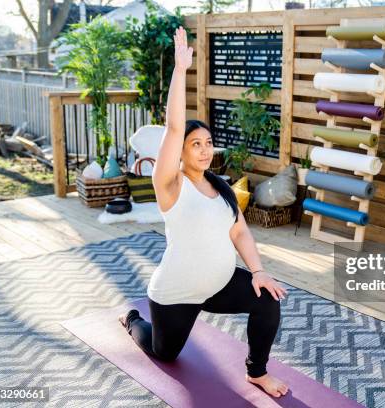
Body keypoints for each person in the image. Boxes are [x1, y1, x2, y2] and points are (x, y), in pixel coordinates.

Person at [118, 26, 289, 398]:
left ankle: (256, 372)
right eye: (195, 144)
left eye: (208, 143)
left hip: (219, 285)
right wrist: (181, 70)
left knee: (268, 301)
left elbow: (240, 232)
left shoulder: (222, 187)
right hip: (176, 293)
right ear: (179, 152)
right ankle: (132, 320)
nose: (204, 150)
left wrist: (258, 271)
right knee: (164, 353)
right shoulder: (171, 186)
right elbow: (174, 125)